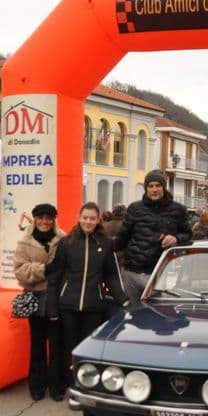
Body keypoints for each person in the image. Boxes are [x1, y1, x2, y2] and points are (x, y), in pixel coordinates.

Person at [47, 202, 130, 400]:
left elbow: (112, 275)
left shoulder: (106, 243)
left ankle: (84, 386)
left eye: (92, 218)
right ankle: (68, 385)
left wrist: (123, 299)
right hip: (68, 305)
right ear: (79, 217)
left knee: (88, 349)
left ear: (98, 220)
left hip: (94, 306)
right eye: (85, 217)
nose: (88, 222)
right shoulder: (66, 243)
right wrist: (52, 307)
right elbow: (55, 276)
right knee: (69, 347)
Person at [13, 203, 66, 401]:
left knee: (56, 343)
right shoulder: (25, 241)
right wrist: (44, 269)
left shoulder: (63, 238)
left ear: (54, 220)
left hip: (56, 298)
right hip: (35, 298)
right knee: (37, 343)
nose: (44, 221)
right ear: (34, 219)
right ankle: (36, 385)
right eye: (41, 218)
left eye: (48, 218)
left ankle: (57, 385)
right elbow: (19, 270)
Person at [114, 169, 192, 303]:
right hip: (131, 274)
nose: (154, 190)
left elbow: (189, 235)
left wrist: (176, 238)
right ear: (146, 189)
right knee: (130, 315)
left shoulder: (178, 210)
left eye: (158, 185)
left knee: (155, 318)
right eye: (150, 186)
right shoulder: (134, 208)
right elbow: (122, 237)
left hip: (159, 275)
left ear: (164, 187)